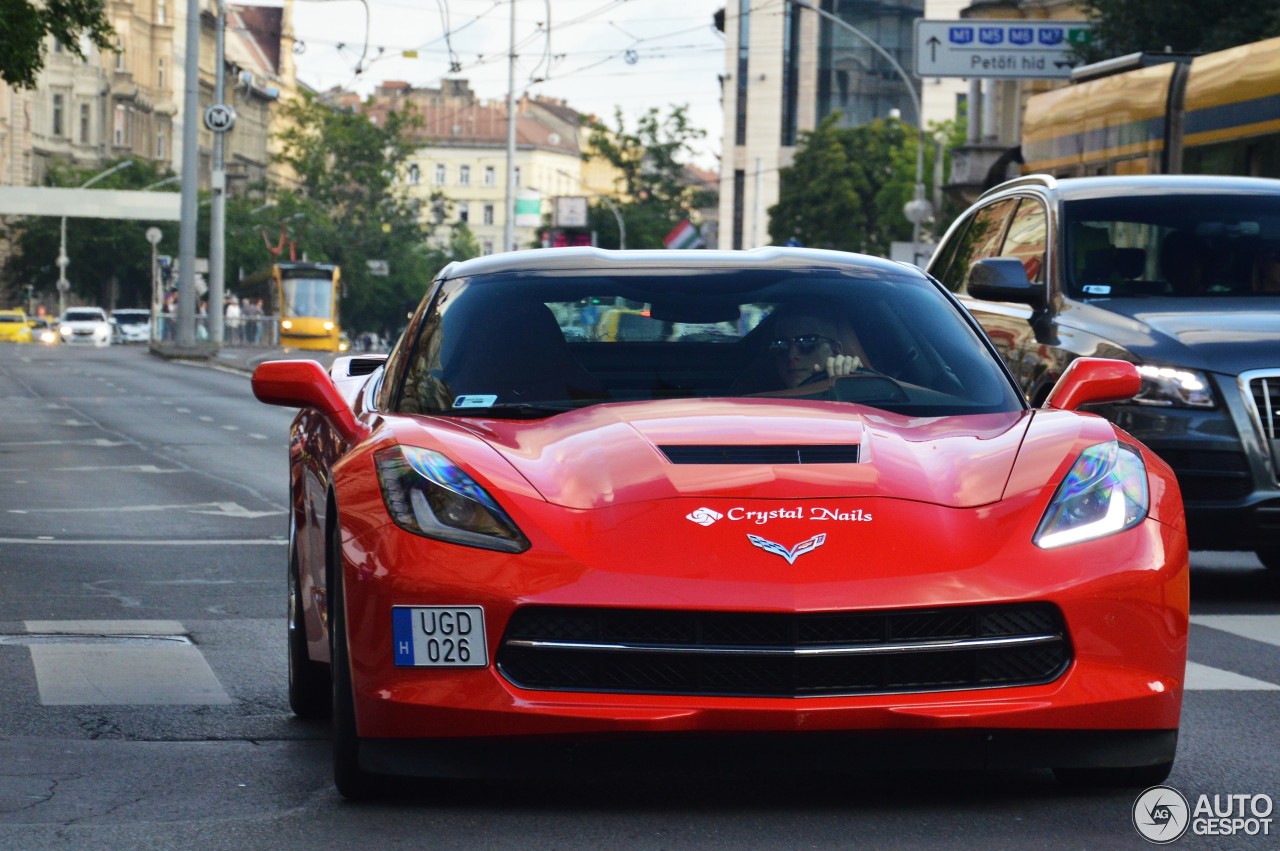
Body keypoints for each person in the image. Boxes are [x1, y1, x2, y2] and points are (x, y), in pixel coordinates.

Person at [765, 310, 862, 389]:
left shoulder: (850, 397)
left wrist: (851, 380)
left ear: (835, 350)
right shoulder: (757, 400)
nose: (791, 355)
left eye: (807, 342)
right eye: (781, 345)